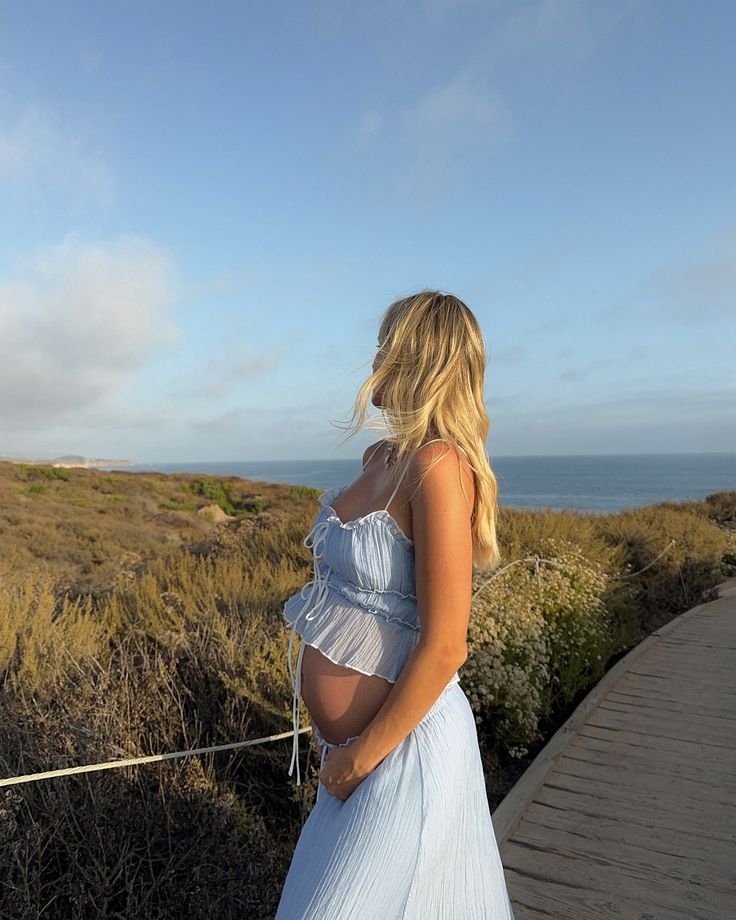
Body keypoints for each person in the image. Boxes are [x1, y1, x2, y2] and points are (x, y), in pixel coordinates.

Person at [275, 290, 516, 918]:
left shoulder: (438, 465)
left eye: (390, 345)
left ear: (421, 359)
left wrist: (361, 754)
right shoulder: (381, 457)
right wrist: (345, 751)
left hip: (401, 754)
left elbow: (445, 646)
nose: (376, 357)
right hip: (357, 760)